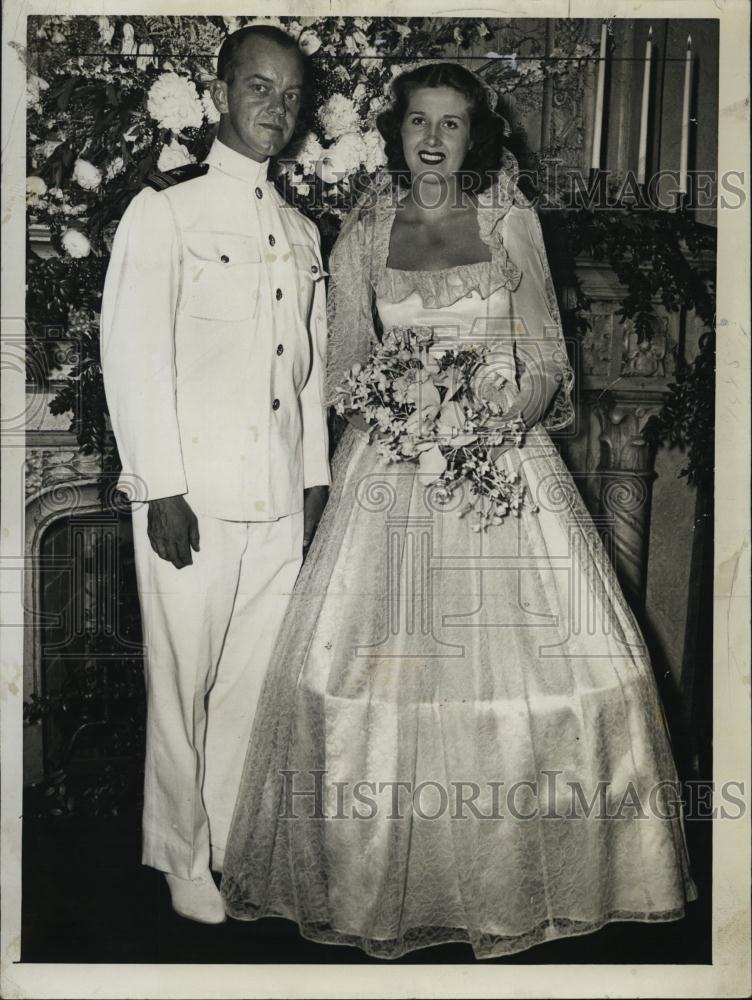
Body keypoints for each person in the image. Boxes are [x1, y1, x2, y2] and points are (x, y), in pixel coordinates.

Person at [221, 62, 697, 958]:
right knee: (373, 679)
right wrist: (400, 414)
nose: (433, 139)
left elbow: (547, 359)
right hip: (391, 476)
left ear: (474, 136)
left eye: (450, 124)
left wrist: (496, 421)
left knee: (538, 677)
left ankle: (518, 877)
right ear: (396, 133)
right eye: (418, 123)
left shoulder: (506, 218)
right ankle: (390, 883)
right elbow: (346, 367)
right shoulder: (366, 228)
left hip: (503, 466)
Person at [100, 25, 330, 924]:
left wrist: (313, 481)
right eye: (259, 87)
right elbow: (133, 356)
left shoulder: (301, 229)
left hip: (276, 495)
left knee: (250, 685)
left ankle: (231, 843)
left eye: (290, 94)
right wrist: (159, 486)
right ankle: (178, 854)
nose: (276, 107)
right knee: (182, 682)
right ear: (222, 92)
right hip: (190, 496)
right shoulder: (168, 210)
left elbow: (306, 374)